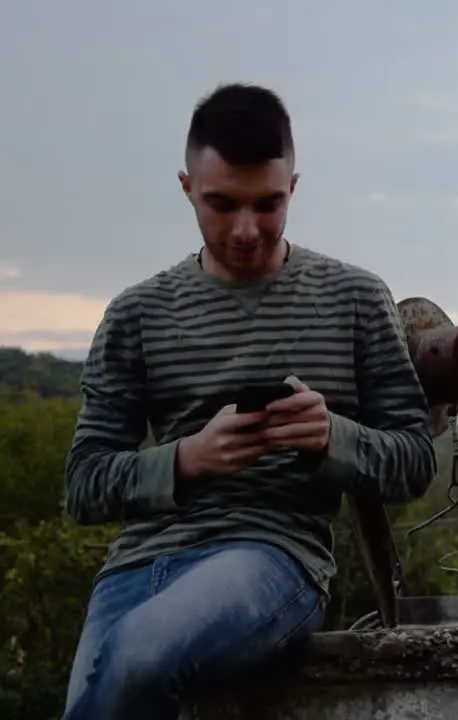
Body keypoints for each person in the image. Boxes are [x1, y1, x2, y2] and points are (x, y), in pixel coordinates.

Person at [60, 83, 438, 720]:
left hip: (272, 557)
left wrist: (330, 439)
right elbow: (83, 485)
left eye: (269, 204)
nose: (245, 229)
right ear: (186, 188)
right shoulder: (137, 314)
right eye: (221, 204)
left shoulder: (355, 298)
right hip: (136, 570)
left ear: (295, 184)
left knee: (138, 655)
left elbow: (414, 461)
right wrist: (187, 460)